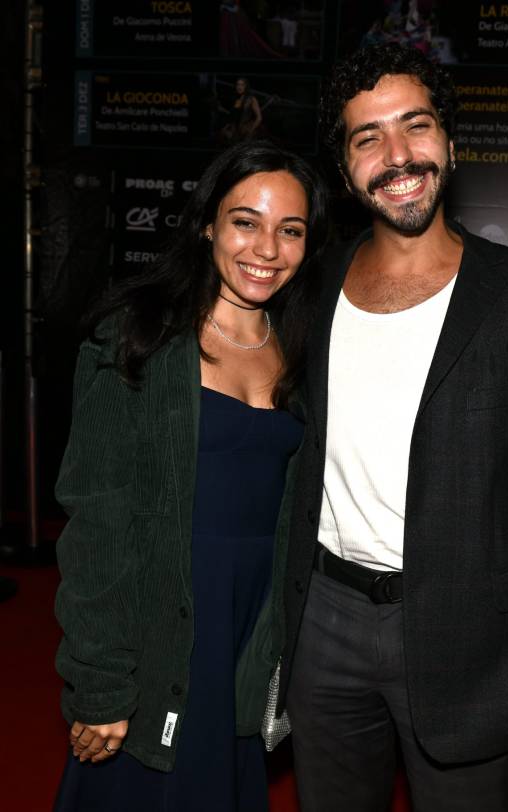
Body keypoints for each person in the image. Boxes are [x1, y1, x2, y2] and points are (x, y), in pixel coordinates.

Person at [264, 43, 508, 811]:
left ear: (449, 140)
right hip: (325, 622)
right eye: (367, 137)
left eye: (415, 126)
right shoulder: (312, 284)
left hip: (470, 627)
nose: (397, 156)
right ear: (344, 170)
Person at [52, 139, 328, 812]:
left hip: (250, 627)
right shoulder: (139, 337)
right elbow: (97, 525)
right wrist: (101, 685)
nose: (266, 248)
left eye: (289, 230)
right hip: (160, 623)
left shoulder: (305, 351)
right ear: (206, 223)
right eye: (245, 221)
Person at [222, 78, 264, 143]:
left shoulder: (251, 99)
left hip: (245, 131)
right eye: (238, 85)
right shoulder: (235, 99)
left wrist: (251, 130)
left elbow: (259, 118)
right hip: (235, 131)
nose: (239, 87)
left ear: (246, 86)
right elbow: (232, 117)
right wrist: (225, 127)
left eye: (242, 85)